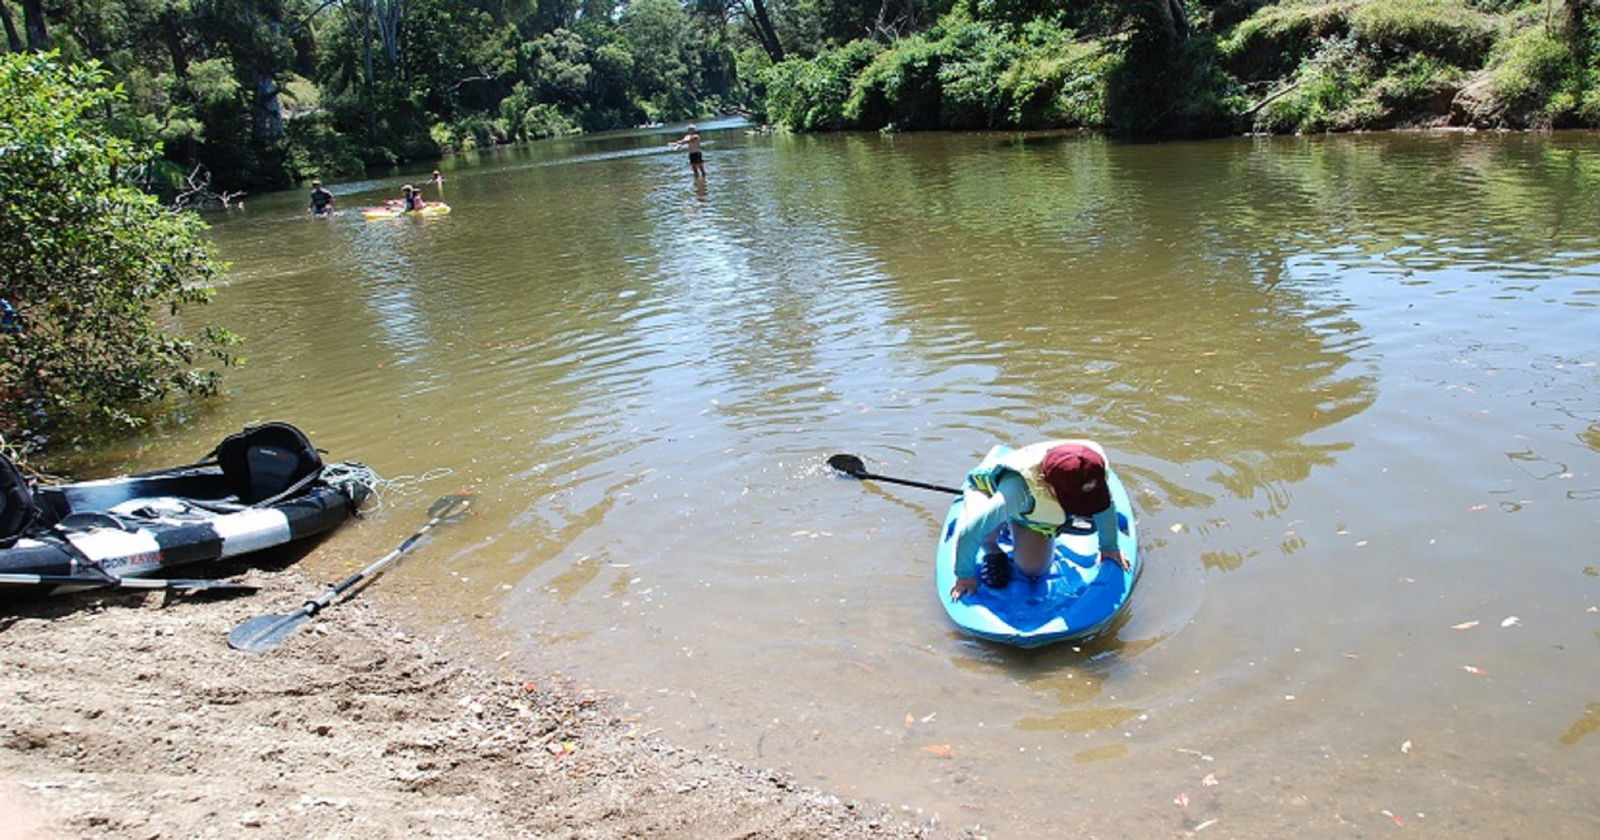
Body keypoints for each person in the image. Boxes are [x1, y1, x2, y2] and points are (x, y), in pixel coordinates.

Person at [947, 440, 1130, 602]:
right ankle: (993, 549)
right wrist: (964, 576)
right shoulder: (1017, 492)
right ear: (1045, 484)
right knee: (985, 527)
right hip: (990, 491)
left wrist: (1109, 547)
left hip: (1029, 510)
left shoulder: (1092, 465)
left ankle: (1018, 522)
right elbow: (971, 530)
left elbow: (1104, 507)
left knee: (1033, 569)